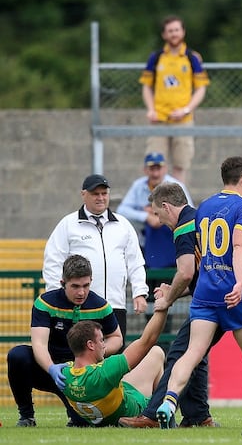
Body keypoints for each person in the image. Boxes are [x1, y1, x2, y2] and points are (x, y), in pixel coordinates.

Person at [155, 156, 242, 429]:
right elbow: (237, 245)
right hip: (234, 292)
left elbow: (210, 248)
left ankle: (169, 401)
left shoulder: (204, 207)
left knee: (191, 352)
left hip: (205, 292)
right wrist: (239, 281)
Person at [118, 182, 224, 428]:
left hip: (213, 302)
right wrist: (172, 290)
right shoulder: (201, 219)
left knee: (179, 354)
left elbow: (186, 273)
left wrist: (167, 298)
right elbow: (198, 276)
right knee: (198, 355)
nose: (159, 219)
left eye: (157, 213)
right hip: (224, 296)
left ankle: (152, 415)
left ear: (166, 206)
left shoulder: (183, 227)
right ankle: (199, 416)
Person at [7, 254, 123, 427]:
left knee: (81, 424)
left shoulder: (101, 306)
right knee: (17, 355)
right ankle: (26, 416)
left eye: (86, 285)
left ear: (91, 281)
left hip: (80, 375)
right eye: (75, 286)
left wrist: (96, 354)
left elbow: (116, 338)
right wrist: (52, 369)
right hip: (49, 369)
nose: (81, 292)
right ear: (63, 283)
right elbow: (39, 344)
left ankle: (76, 414)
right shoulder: (45, 303)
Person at [43, 174, 149, 339]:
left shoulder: (123, 225)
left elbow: (135, 262)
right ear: (83, 195)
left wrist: (140, 292)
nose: (100, 198)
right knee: (83, 355)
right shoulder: (68, 224)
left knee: (114, 357)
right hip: (81, 307)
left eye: (104, 193)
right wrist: (57, 297)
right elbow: (53, 262)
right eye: (95, 194)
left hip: (115, 305)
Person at [61, 302, 170, 426]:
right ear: (90, 345)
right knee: (156, 352)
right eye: (102, 340)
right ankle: (154, 416)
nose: (104, 345)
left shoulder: (64, 374)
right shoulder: (105, 372)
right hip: (134, 409)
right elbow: (147, 340)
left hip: (109, 406)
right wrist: (164, 304)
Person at [117, 152, 193, 316]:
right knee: (150, 292)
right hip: (148, 246)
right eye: (152, 169)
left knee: (168, 291)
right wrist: (146, 216)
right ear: (145, 170)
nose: (155, 173)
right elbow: (122, 210)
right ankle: (151, 333)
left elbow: (188, 212)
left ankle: (162, 336)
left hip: (171, 247)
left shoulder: (175, 185)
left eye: (159, 168)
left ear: (165, 169)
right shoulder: (139, 186)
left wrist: (155, 214)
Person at [139, 15, 209, 183]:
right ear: (164, 35)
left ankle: (178, 204)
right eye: (170, 31)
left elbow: (201, 88)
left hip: (183, 119)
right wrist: (151, 110)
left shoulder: (192, 58)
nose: (174, 34)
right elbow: (146, 86)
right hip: (159, 119)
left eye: (177, 30)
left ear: (183, 32)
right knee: (154, 164)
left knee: (180, 164)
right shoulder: (156, 58)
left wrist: (186, 109)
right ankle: (155, 205)